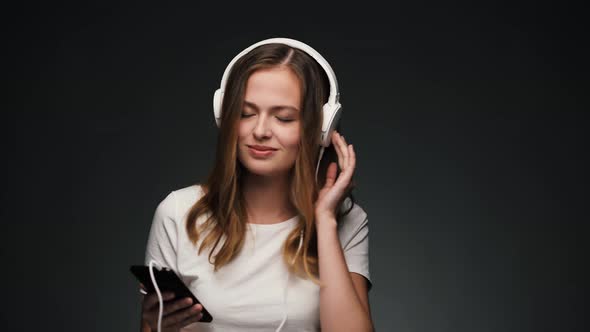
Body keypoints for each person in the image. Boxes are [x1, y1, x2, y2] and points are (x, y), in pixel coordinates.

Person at [138, 38, 374, 332]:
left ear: (321, 129)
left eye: (283, 117)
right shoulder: (177, 212)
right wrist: (156, 326)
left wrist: (325, 220)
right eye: (246, 113)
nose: (260, 131)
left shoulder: (345, 220)